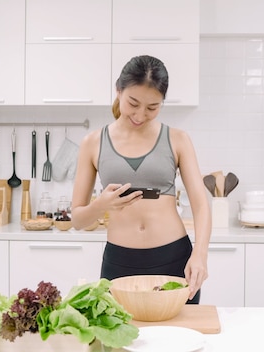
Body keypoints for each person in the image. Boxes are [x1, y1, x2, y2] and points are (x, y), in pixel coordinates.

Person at [70, 55, 211, 303]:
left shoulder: (178, 139)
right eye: (132, 103)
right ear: (118, 91)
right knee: (120, 341)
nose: (140, 114)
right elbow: (78, 219)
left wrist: (200, 254)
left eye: (152, 108)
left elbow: (201, 205)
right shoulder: (93, 142)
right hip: (119, 263)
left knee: (178, 338)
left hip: (174, 259)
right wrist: (101, 205)